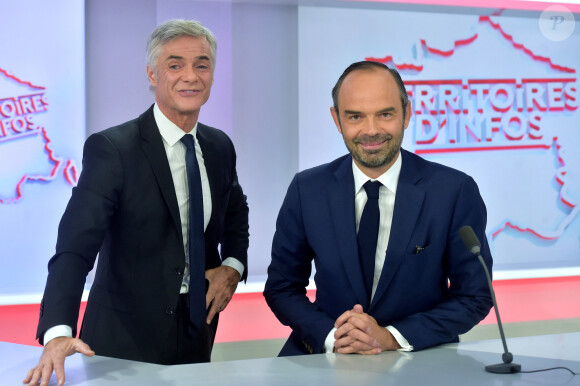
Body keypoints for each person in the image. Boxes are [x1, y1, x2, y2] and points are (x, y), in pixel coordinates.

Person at [24, 19, 249, 385]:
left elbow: (236, 212)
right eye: (175, 65)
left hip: (198, 331)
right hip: (120, 341)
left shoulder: (220, 146)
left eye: (202, 64)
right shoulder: (113, 149)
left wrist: (233, 266)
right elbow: (74, 249)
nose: (190, 76)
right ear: (152, 74)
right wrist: (57, 331)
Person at [263, 61, 493, 356]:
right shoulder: (307, 189)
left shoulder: (453, 191)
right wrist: (334, 337)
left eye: (385, 114)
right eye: (355, 116)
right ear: (337, 120)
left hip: (418, 359)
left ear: (407, 114)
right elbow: (282, 288)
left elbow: (474, 295)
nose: (371, 131)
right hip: (324, 353)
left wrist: (390, 337)